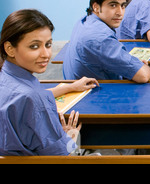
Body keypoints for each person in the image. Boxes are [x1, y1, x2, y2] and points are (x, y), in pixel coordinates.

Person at [0, 9, 98, 156]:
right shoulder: (34, 98)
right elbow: (62, 157)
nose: (46, 54)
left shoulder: (6, 78)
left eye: (48, 44)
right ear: (9, 49)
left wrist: (70, 87)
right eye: (34, 46)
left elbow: (24, 98)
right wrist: (71, 139)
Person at [63, 0, 150, 83]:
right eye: (113, 5)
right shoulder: (100, 37)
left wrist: (130, 63)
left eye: (123, 6)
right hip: (96, 96)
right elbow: (143, 76)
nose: (120, 12)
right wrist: (141, 66)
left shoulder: (84, 21)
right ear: (96, 6)